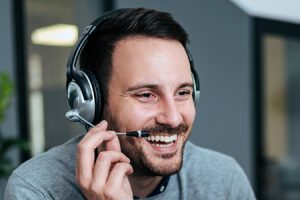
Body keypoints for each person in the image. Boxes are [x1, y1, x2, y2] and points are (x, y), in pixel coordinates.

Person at [5, 8, 256, 200]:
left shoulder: (224, 180)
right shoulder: (38, 188)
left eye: (182, 92)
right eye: (146, 95)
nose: (173, 118)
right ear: (91, 104)